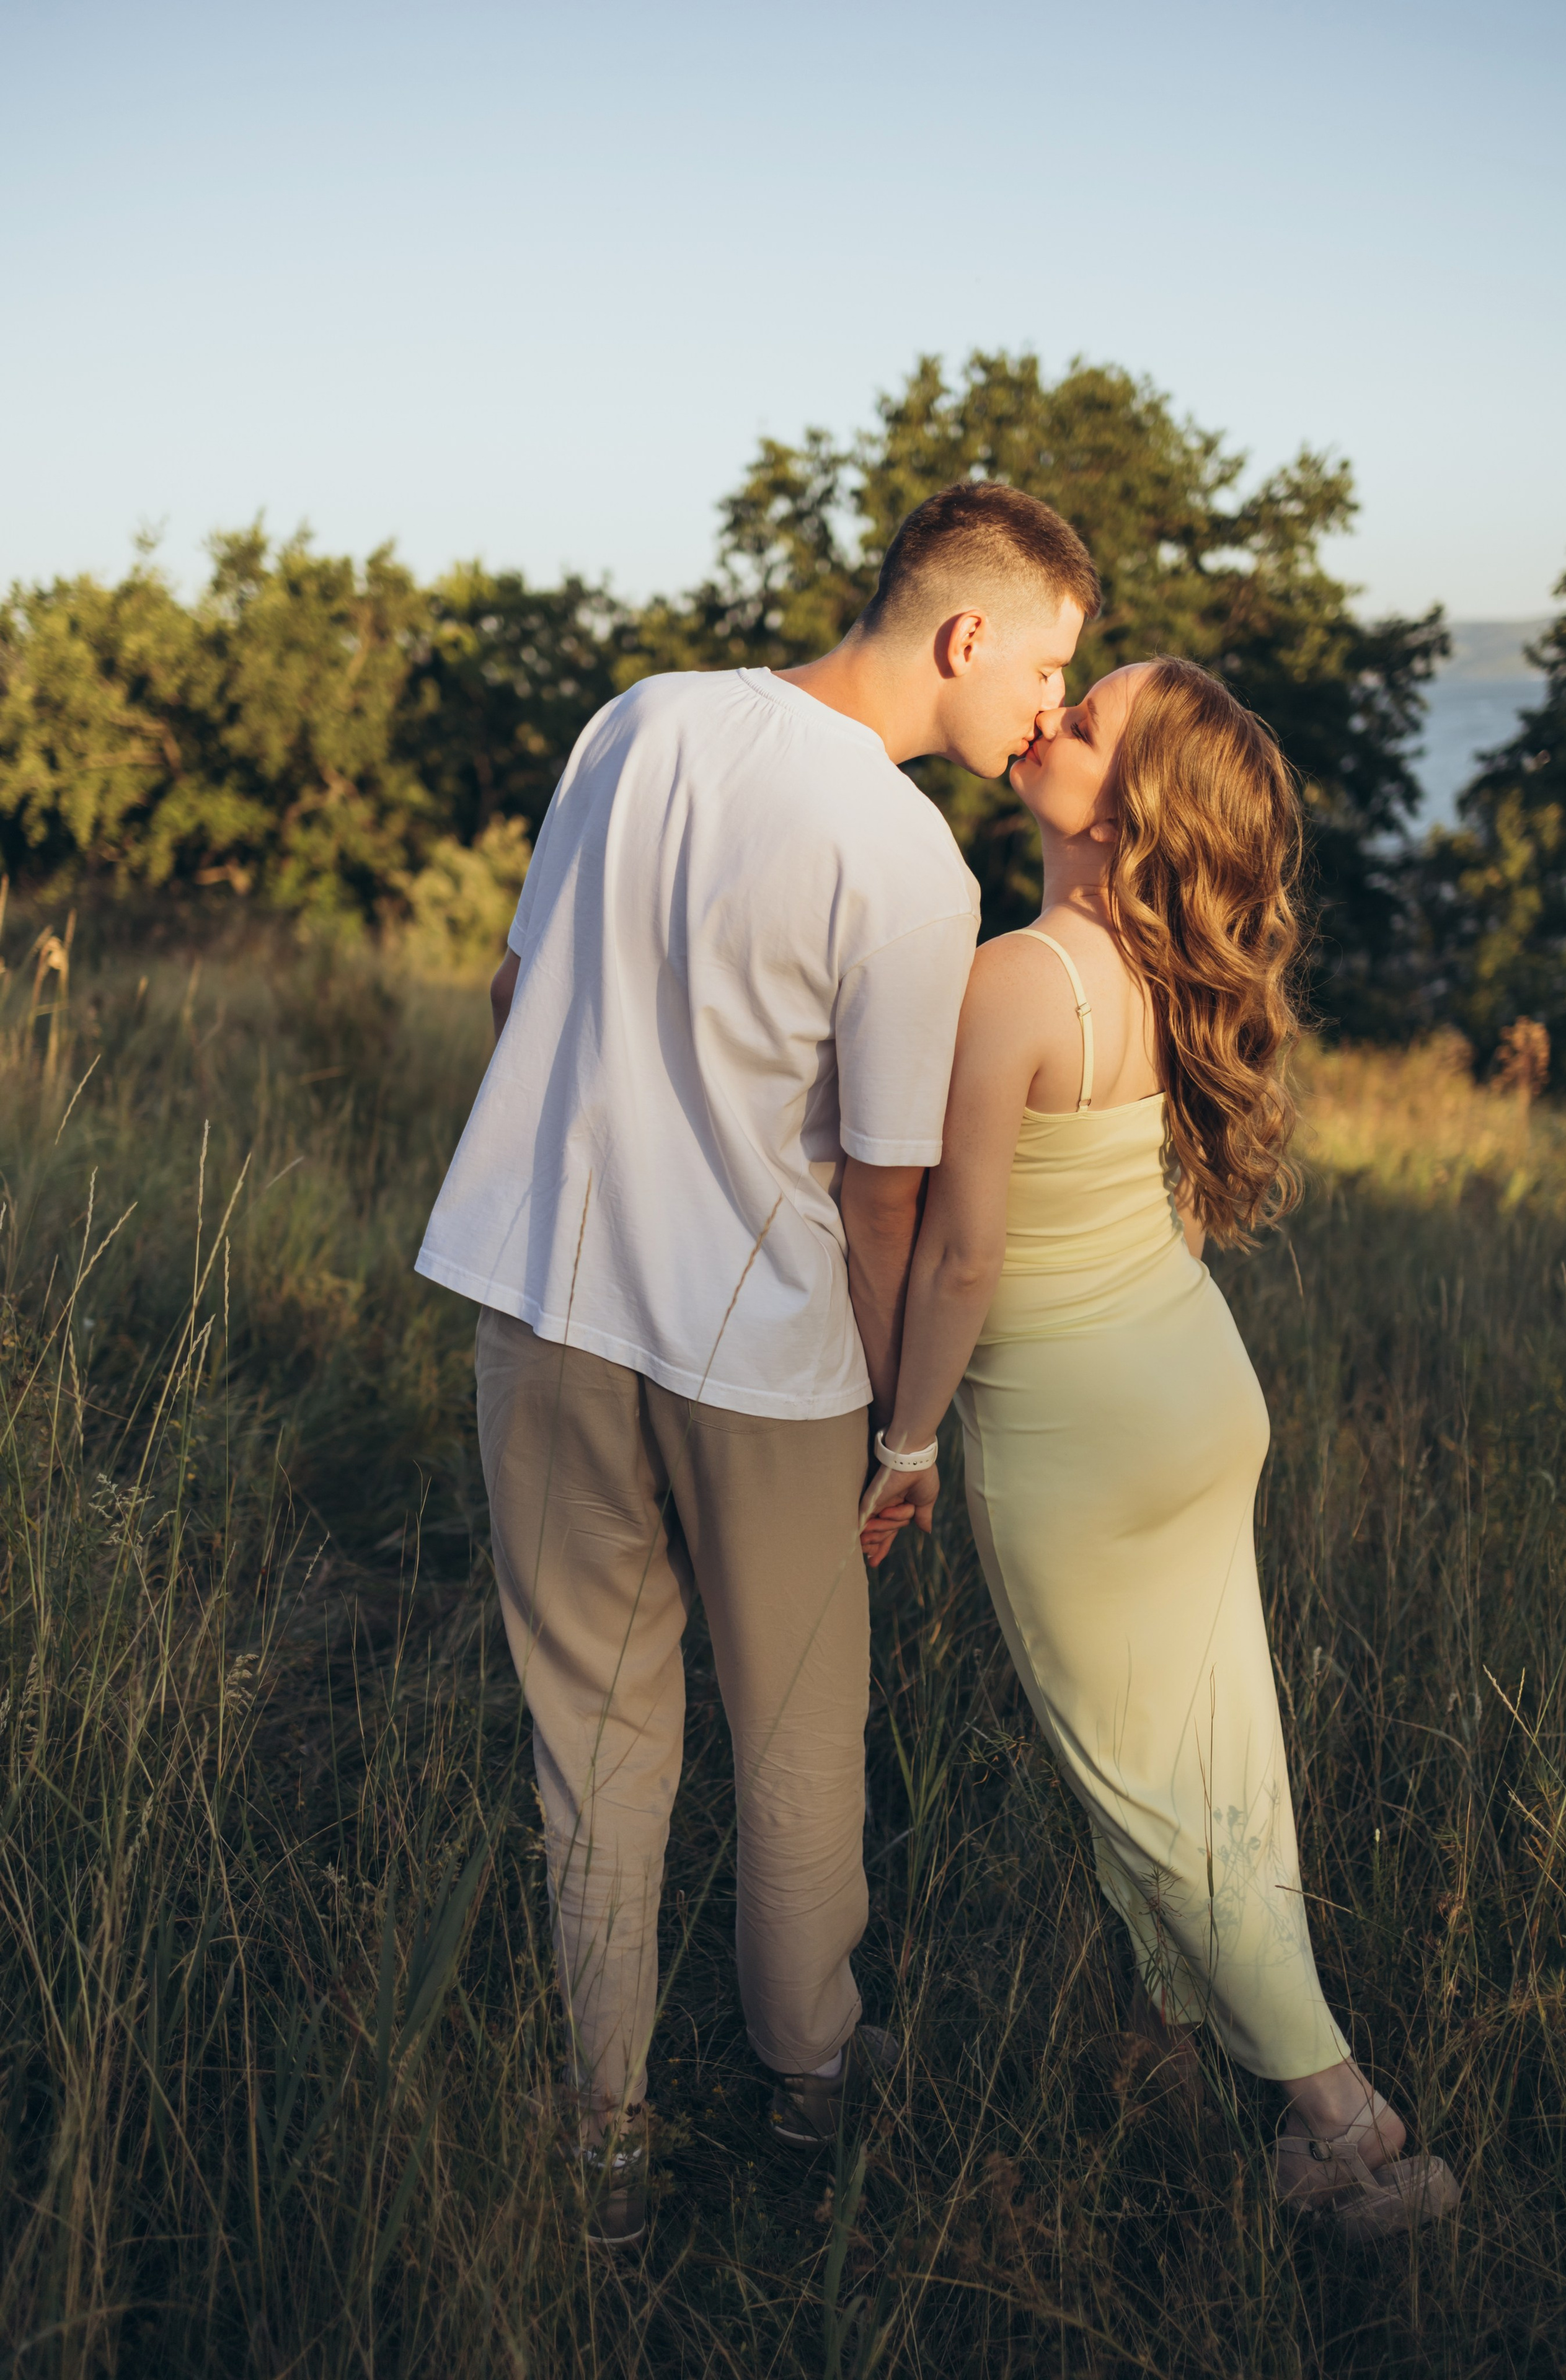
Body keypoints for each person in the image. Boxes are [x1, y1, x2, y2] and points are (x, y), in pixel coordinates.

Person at [415, 481, 1100, 2246]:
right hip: (761, 1354)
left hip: (543, 1303)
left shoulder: (638, 720)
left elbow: (513, 997)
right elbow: (883, 1196)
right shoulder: (914, 866)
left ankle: (606, 2136)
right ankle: (812, 2081)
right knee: (796, 1739)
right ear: (965, 633)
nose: (1046, 710)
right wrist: (892, 1425)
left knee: (593, 1737)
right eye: (1045, 668)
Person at [859, 657, 1462, 2242]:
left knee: (1140, 1790)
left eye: (1086, 721)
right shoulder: (1161, 970)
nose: (1049, 719)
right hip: (1195, 1392)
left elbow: (958, 1259)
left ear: (1124, 813)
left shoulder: (1014, 979)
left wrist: (905, 1439)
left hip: (1074, 1441)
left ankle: (1340, 2120)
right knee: (1214, 1765)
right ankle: (1157, 2058)